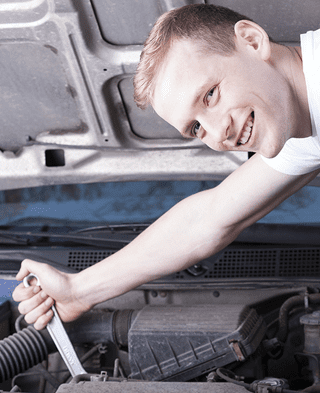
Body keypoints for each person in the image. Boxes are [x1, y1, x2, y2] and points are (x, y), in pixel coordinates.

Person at [13, 4, 320, 330]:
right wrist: (78, 291)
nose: (218, 134)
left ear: (252, 40)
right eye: (196, 129)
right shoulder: (300, 127)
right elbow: (207, 220)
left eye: (211, 95)